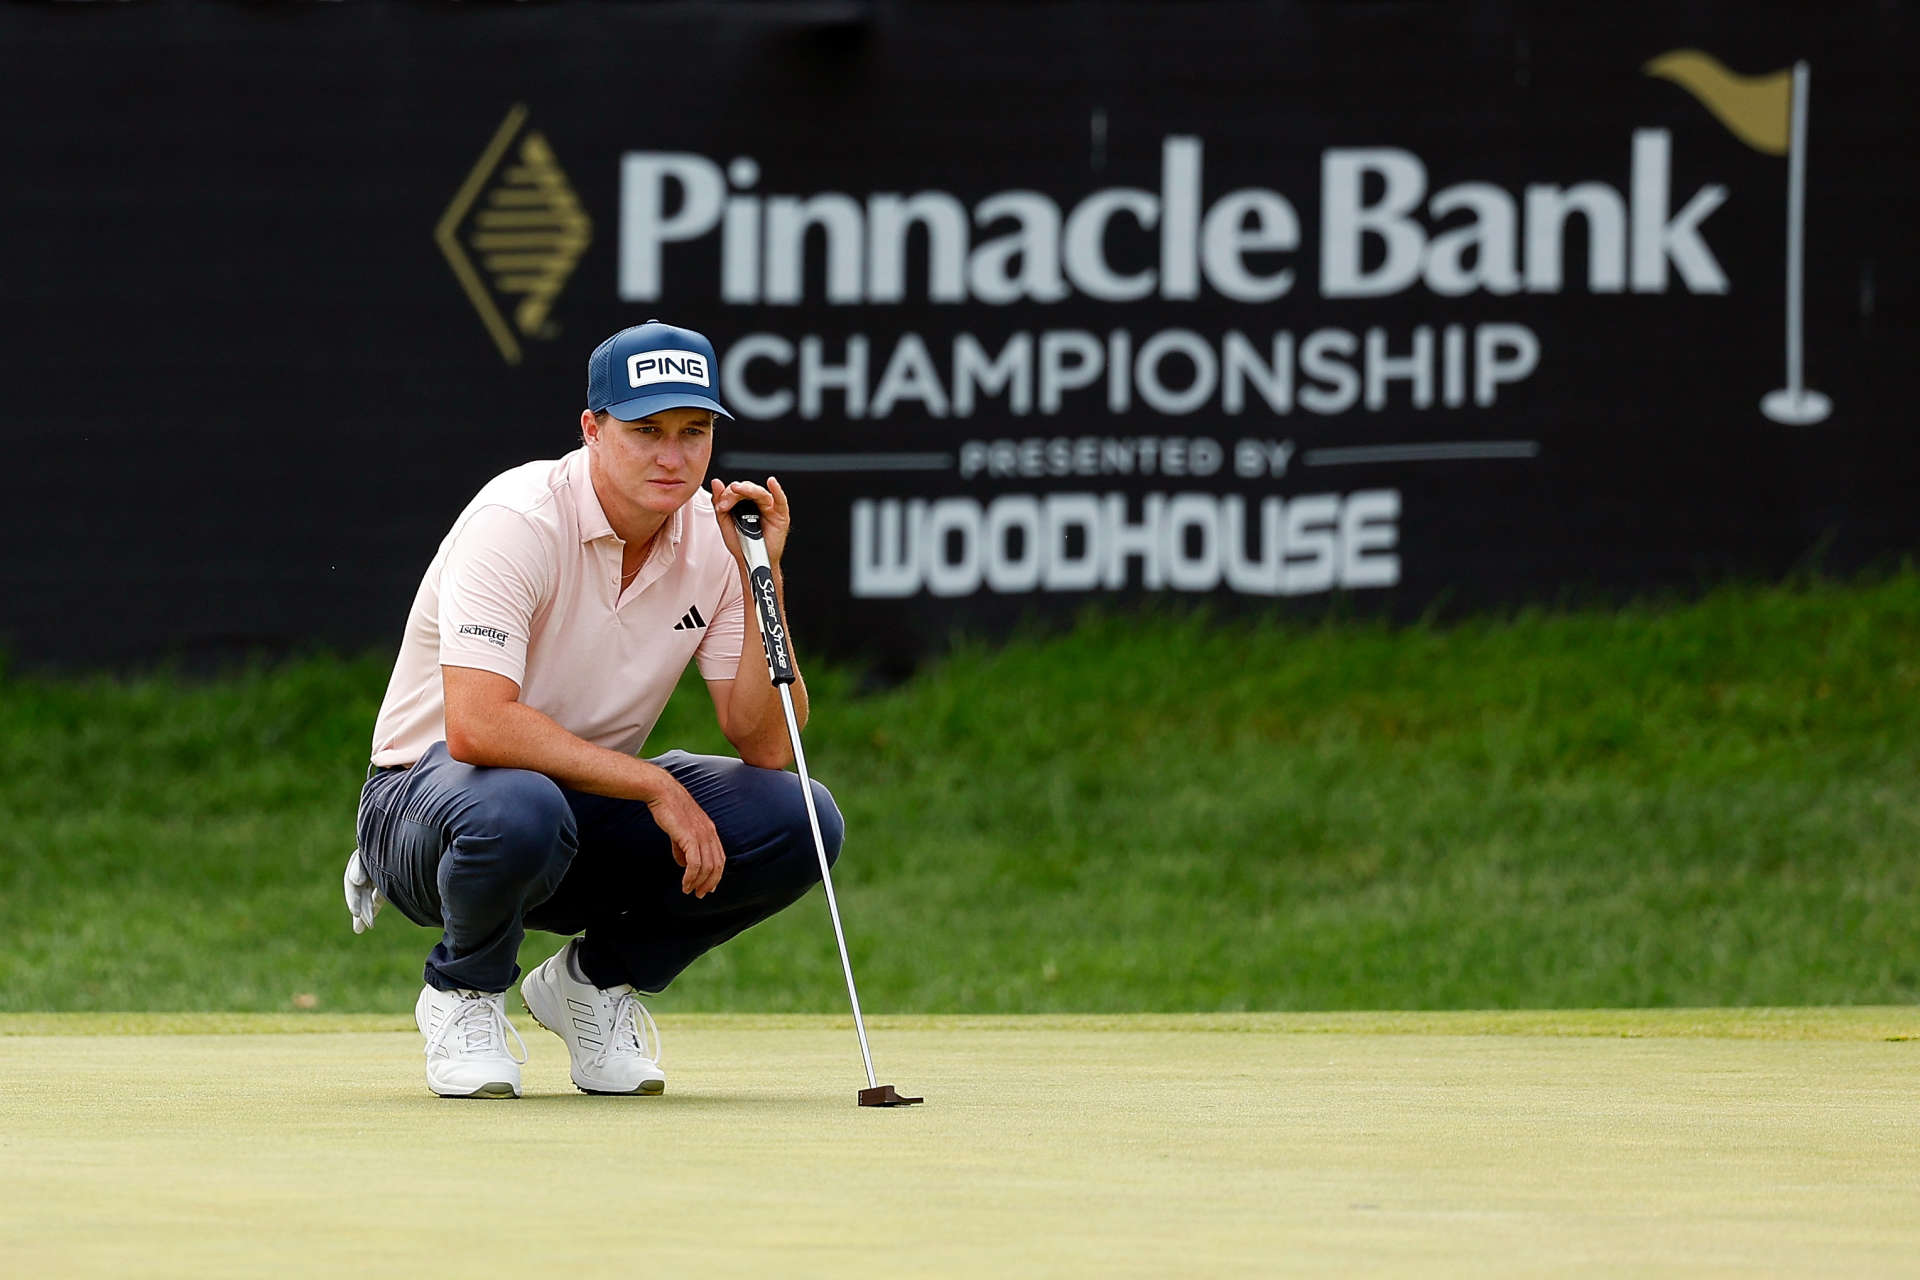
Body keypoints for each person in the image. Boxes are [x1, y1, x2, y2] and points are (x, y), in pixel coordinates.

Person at [342, 320, 842, 1099]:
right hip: (425, 803)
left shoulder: (719, 540)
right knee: (517, 806)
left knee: (801, 815)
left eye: (694, 431)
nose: (672, 457)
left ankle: (591, 985)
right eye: (645, 432)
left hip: (578, 812)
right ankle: (465, 993)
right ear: (592, 429)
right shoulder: (518, 520)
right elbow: (478, 725)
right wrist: (655, 786)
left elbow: (768, 745)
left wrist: (762, 575)